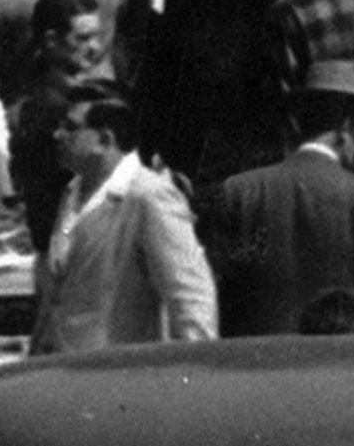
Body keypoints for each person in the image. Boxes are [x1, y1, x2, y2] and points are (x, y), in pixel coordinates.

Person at [200, 89, 354, 341]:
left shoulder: (238, 192)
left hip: (254, 365)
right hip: (340, 365)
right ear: (345, 128)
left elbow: (213, 291)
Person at [33, 90, 219, 350]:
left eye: (71, 128)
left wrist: (196, 371)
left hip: (117, 375)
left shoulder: (148, 195)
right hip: (64, 375)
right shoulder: (72, 193)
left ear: (105, 139)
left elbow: (189, 295)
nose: (57, 135)